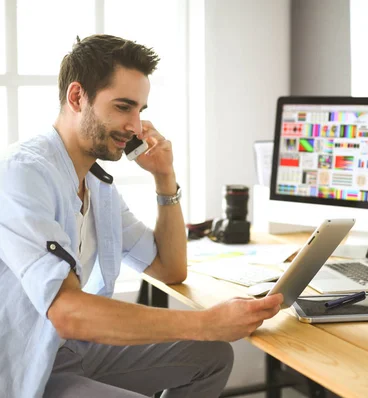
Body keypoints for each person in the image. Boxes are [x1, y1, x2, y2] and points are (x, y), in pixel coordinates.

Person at [0, 34, 284, 398]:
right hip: (27, 367)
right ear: (76, 97)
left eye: (140, 111)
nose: (135, 127)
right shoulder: (22, 174)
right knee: (205, 338)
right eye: (123, 107)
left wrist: (164, 177)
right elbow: (68, 312)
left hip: (70, 348)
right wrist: (205, 322)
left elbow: (169, 269)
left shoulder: (97, 186)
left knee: (212, 356)